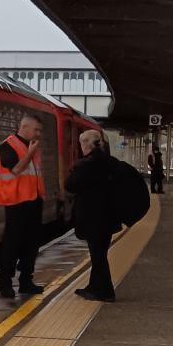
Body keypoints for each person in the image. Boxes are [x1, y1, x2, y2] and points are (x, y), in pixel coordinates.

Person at [66, 129, 122, 302]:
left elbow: (70, 185)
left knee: (98, 256)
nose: (81, 147)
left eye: (82, 143)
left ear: (87, 144)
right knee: (100, 253)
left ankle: (106, 292)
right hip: (109, 216)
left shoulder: (86, 164)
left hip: (93, 218)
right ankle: (94, 286)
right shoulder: (110, 162)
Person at [0, 113, 45, 298]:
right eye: (36, 129)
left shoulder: (33, 147)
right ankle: (5, 282)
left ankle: (26, 281)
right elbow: (15, 169)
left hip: (34, 200)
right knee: (12, 243)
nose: (38, 133)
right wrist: (30, 153)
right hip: (16, 202)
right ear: (24, 128)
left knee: (31, 243)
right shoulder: (8, 145)